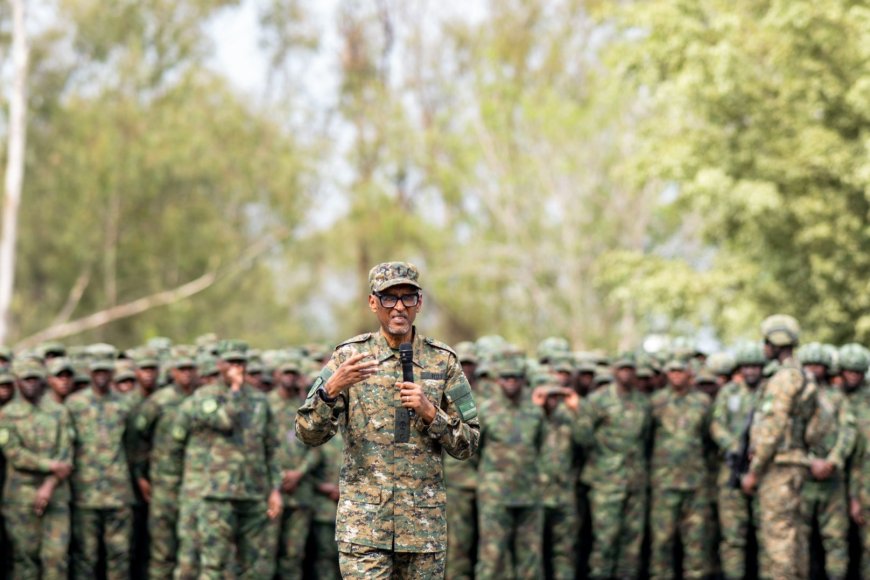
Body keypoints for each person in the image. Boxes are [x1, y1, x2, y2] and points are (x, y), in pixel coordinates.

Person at [295, 261, 480, 579]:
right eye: (388, 297)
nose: (398, 307)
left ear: (419, 303)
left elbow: (469, 443)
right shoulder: (348, 358)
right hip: (365, 528)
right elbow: (306, 433)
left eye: (407, 297)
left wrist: (431, 414)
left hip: (423, 530)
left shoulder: (443, 361)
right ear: (373, 303)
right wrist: (331, 389)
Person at [167, 340, 282, 579]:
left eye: (240, 362)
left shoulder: (260, 401)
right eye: (230, 362)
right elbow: (224, 421)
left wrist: (274, 490)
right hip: (217, 494)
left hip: (253, 493)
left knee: (253, 566)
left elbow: (270, 447)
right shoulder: (205, 397)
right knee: (213, 564)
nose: (236, 367)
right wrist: (237, 390)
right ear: (219, 364)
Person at [741, 314, 817, 580]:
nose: (764, 347)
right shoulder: (804, 376)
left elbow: (773, 429)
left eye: (766, 341)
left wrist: (754, 469)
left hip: (779, 467)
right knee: (795, 538)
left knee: (778, 541)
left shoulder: (784, 378)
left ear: (776, 341)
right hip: (796, 463)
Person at [576, 352, 651, 579]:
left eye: (630, 369)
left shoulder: (643, 402)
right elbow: (581, 435)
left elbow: (645, 438)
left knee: (632, 542)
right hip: (605, 482)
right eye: (622, 369)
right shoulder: (598, 400)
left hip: (635, 481)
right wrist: (603, 452)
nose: (626, 373)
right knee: (605, 540)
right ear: (614, 371)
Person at [67, 347, 137, 580]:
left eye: (106, 371)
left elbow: (133, 446)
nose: (102, 376)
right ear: (89, 372)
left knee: (119, 555)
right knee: (86, 556)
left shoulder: (125, 405)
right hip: (85, 492)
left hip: (118, 493)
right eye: (97, 371)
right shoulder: (75, 405)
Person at [0, 362, 74, 579]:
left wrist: (49, 486)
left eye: (35, 379)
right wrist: (48, 465)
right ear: (17, 382)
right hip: (19, 499)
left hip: (56, 496)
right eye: (26, 379)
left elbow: (66, 454)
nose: (31, 384)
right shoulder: (6, 415)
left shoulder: (59, 412)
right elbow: (12, 452)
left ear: (43, 381)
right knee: (25, 560)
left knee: (57, 558)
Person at [475, 358, 545, 580]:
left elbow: (540, 445)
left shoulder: (535, 412)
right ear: (498, 381)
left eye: (516, 377)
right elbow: (473, 449)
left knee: (530, 558)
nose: (511, 382)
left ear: (524, 381)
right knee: (492, 556)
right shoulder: (486, 411)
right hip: (495, 495)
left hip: (529, 495)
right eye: (506, 377)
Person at [130, 354, 199, 579]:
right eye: (182, 369)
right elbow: (138, 437)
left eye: (190, 368)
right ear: (173, 373)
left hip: (196, 483)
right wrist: (141, 474)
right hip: (164, 484)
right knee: (162, 550)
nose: (187, 373)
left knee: (192, 550)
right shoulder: (159, 401)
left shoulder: (201, 400)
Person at [649, 359, 713, 579]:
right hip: (664, 481)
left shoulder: (703, 402)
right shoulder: (656, 402)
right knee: (662, 540)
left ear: (690, 374)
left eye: (681, 371)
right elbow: (646, 437)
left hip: (694, 481)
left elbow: (708, 437)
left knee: (695, 541)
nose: (676, 375)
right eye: (672, 371)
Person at [798, 342, 855, 580]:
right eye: (808, 365)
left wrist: (832, 460)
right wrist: (808, 462)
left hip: (832, 480)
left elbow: (848, 430)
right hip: (801, 479)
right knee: (798, 541)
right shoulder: (794, 397)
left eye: (817, 366)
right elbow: (785, 435)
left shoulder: (837, 397)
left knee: (836, 540)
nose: (813, 370)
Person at [710, 343, 765, 580]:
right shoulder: (729, 393)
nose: (751, 371)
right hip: (732, 471)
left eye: (756, 366)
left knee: (767, 537)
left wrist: (758, 451)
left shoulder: (770, 392)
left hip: (763, 474)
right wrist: (733, 447)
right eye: (747, 367)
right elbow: (716, 424)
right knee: (733, 537)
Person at [268, 356, 320, 579]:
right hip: (271, 492)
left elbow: (318, 446)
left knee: (294, 555)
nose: (289, 377)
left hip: (300, 493)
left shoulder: (306, 407)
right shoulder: (265, 404)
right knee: (266, 553)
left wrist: (299, 472)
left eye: (293, 374)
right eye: (285, 373)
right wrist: (277, 476)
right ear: (276, 376)